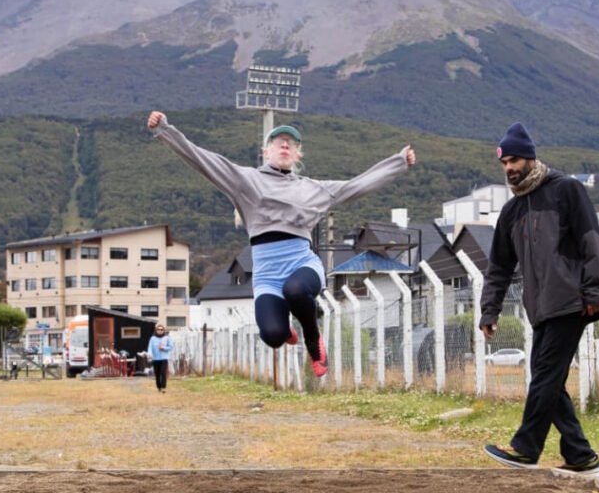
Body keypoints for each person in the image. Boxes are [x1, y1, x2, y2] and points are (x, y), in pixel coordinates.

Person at [148, 110, 416, 377]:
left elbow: (357, 185)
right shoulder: (246, 180)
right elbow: (202, 160)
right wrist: (165, 130)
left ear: (298, 154)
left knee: (295, 290)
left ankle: (313, 340)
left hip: (302, 265)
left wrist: (399, 162)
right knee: (273, 336)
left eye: (291, 143)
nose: (285, 144)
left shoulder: (314, 189)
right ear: (266, 151)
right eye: (278, 141)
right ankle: (285, 327)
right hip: (268, 276)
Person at [479, 122, 599, 478]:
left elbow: (591, 242)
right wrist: (490, 310)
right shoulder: (511, 212)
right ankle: (581, 455)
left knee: (546, 374)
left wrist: (594, 291)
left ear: (530, 158)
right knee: (547, 377)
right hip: (540, 308)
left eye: (514, 160)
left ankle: (526, 448)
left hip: (572, 300)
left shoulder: (566, 190)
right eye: (504, 163)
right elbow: (499, 267)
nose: (509, 168)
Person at [147, 323, 174, 393]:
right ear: (156, 330)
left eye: (161, 329)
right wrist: (149, 354)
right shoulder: (153, 338)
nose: (160, 331)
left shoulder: (167, 338)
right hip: (155, 359)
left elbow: (171, 347)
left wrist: (164, 348)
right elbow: (150, 347)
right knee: (157, 374)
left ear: (164, 330)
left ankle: (163, 387)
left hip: (164, 358)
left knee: (163, 372)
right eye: (158, 329)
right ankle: (159, 387)